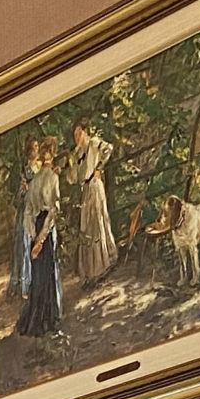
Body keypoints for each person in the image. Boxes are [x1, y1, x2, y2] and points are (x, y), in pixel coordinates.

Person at [70, 120, 117, 283]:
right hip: (85, 190)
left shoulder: (94, 143)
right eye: (75, 134)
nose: (77, 137)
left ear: (85, 131)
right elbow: (73, 178)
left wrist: (99, 168)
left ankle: (103, 265)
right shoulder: (77, 153)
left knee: (97, 222)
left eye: (79, 133)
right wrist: (71, 166)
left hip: (95, 185)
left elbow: (109, 148)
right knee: (87, 227)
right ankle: (90, 271)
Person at [14, 138, 61, 301]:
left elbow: (28, 213)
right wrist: (40, 239)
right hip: (45, 229)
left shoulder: (35, 180)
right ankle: (49, 312)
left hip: (36, 226)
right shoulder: (52, 177)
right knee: (48, 272)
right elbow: (53, 210)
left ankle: (37, 308)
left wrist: (33, 236)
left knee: (38, 272)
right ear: (53, 155)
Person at [14, 209, 63, 338]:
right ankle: (37, 319)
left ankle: (49, 318)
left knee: (46, 275)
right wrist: (34, 237)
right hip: (35, 231)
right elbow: (28, 213)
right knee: (38, 276)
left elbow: (52, 212)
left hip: (45, 234)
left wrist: (40, 240)